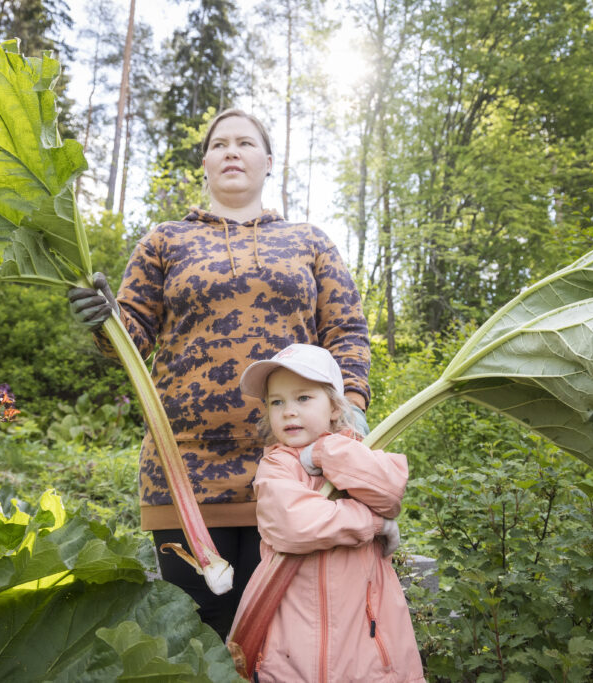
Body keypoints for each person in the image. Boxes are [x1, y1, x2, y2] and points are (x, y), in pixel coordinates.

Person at [67, 109, 371, 640]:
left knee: (282, 633)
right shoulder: (164, 241)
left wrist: (354, 409)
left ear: (268, 162)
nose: (232, 151)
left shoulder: (310, 241)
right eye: (220, 144)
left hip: (292, 471)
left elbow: (345, 332)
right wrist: (105, 320)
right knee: (197, 633)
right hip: (182, 470)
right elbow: (131, 339)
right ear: (204, 162)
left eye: (246, 143)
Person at [230, 343, 424, 682]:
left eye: (303, 398)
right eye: (277, 402)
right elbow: (296, 525)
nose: (289, 411)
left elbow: (390, 490)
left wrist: (326, 451)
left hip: (368, 650)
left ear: (335, 407)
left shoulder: (358, 453)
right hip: (291, 656)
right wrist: (374, 521)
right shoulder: (277, 465)